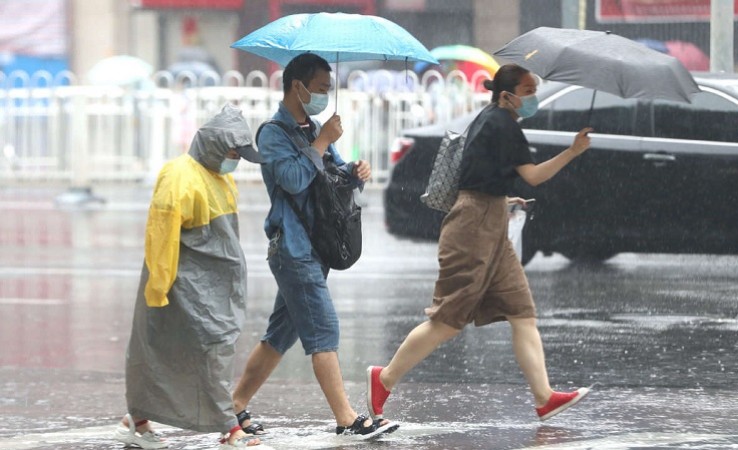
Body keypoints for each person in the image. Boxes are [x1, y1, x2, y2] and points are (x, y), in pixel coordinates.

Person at [366, 64, 594, 423]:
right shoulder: (503, 124)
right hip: (472, 228)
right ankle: (385, 377)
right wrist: (573, 151)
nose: (533, 97)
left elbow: (477, 177)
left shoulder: (490, 119)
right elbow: (533, 177)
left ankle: (544, 397)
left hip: (490, 221)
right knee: (448, 320)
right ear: (507, 95)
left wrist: (502, 201)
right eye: (528, 91)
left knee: (522, 313)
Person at [231, 53, 397, 438]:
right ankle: (346, 417)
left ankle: (234, 404)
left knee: (280, 336)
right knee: (323, 328)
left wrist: (355, 173)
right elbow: (291, 179)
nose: (325, 93)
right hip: (291, 247)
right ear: (297, 86)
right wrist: (321, 142)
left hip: (315, 244)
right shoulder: (272, 132)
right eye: (321, 87)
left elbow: (330, 175)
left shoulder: (314, 126)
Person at [113, 104, 265, 449]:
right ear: (214, 144)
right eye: (233, 151)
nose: (236, 159)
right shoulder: (179, 175)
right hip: (185, 287)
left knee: (174, 352)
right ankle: (230, 429)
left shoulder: (218, 175)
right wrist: (159, 286)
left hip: (214, 288)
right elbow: (161, 234)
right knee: (207, 351)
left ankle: (135, 418)